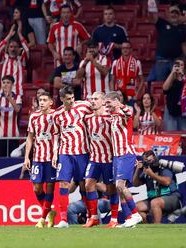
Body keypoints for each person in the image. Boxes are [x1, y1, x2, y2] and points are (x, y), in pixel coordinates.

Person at [52, 86, 92, 228]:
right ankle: (63, 220)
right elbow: (56, 134)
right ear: (62, 99)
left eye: (73, 98)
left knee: (83, 185)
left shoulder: (84, 106)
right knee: (63, 183)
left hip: (82, 152)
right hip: (65, 153)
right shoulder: (57, 114)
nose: (71, 101)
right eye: (68, 99)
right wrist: (55, 152)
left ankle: (90, 216)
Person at [104, 91, 142, 228]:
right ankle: (129, 218)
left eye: (108, 102)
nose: (106, 105)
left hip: (126, 153)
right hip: (116, 156)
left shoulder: (124, 114)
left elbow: (129, 113)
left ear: (115, 101)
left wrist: (120, 104)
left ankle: (135, 214)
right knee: (119, 188)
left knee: (120, 185)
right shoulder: (112, 116)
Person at [83, 92, 119, 228]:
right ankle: (94, 218)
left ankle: (114, 219)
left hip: (108, 159)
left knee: (111, 190)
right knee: (88, 185)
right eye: (91, 99)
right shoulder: (88, 118)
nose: (93, 101)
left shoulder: (110, 118)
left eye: (96, 99)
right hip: (94, 158)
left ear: (103, 101)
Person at [24, 91, 57, 228]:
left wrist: (56, 154)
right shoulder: (34, 116)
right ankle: (50, 213)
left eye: (44, 100)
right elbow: (30, 137)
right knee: (37, 188)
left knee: (49, 188)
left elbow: (58, 136)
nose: (41, 102)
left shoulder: (55, 116)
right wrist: (27, 157)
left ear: (51, 102)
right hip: (37, 158)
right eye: (40, 100)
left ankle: (43, 218)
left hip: (51, 158)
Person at [134, 150, 181, 224]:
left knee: (155, 202)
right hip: (154, 198)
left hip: (172, 197)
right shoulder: (147, 170)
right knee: (137, 206)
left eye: (150, 160)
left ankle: (156, 227)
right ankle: (147, 229)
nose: (149, 163)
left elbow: (167, 182)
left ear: (155, 158)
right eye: (146, 161)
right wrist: (137, 169)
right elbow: (136, 184)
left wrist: (151, 174)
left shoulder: (163, 168)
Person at [147, 5, 186, 82]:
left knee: (176, 83)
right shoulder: (161, 23)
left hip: (176, 61)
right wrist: (151, 6)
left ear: (179, 15)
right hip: (162, 61)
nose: (174, 15)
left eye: (176, 13)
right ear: (168, 14)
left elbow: (184, 45)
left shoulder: (183, 28)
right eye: (172, 12)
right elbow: (152, 17)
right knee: (160, 84)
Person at [0, 75, 22, 157]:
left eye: (8, 82)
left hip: (13, 135)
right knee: (0, 159)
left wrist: (10, 99)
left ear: (12, 85)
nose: (5, 84)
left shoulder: (17, 97)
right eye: (3, 82)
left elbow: (18, 110)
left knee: (13, 159)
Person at [162, 57, 186, 131]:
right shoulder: (170, 77)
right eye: (177, 65)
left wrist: (182, 75)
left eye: (181, 65)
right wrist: (172, 73)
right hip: (171, 111)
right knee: (171, 136)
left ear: (184, 67)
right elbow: (165, 88)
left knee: (184, 137)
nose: (179, 66)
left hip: (184, 112)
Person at [0, 24, 29, 96]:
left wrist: (19, 33)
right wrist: (9, 34)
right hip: (3, 91)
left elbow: (26, 49)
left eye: (15, 47)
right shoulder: (4, 58)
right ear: (8, 48)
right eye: (11, 47)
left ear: (19, 48)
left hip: (17, 92)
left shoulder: (21, 59)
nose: (13, 49)